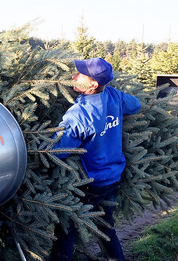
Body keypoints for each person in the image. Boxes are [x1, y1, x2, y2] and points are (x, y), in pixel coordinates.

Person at [49, 58, 141, 261]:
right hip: (113, 178)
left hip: (91, 183)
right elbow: (135, 105)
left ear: (92, 85)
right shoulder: (113, 95)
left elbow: (56, 150)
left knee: (65, 228)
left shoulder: (80, 114)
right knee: (106, 227)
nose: (73, 77)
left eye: (79, 74)